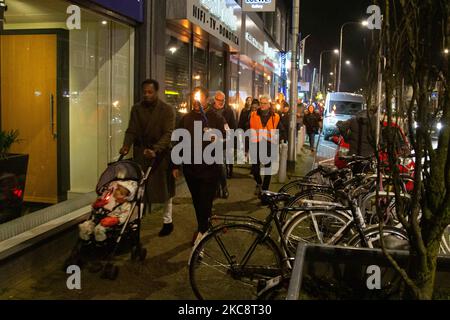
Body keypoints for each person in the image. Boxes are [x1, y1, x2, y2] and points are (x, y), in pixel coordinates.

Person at [120, 79, 176, 237]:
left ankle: (167, 221)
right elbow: (131, 129)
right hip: (142, 154)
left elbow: (168, 133)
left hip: (160, 156)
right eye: (144, 92)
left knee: (165, 191)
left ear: (156, 92)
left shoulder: (167, 110)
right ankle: (135, 222)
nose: (146, 95)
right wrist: (126, 145)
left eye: (150, 92)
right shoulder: (136, 109)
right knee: (139, 190)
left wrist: (156, 149)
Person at [172, 87, 227, 247]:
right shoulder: (186, 119)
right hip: (191, 170)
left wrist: (217, 138)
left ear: (206, 100)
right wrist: (175, 164)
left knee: (205, 202)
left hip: (210, 170)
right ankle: (204, 227)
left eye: (200, 98)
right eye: (194, 98)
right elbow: (178, 141)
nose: (196, 102)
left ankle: (201, 238)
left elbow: (229, 137)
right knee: (197, 202)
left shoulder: (215, 118)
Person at [249, 95, 286, 196]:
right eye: (261, 103)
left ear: (269, 104)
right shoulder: (253, 115)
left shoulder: (276, 117)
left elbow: (282, 130)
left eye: (265, 103)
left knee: (268, 168)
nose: (263, 105)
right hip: (256, 144)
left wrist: (278, 139)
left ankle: (265, 190)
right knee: (255, 169)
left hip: (269, 144)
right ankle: (259, 183)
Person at [208, 91, 237, 186]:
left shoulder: (229, 111)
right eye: (219, 100)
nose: (221, 102)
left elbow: (233, 127)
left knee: (221, 165)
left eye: (223, 100)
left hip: (224, 142)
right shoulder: (209, 111)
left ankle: (223, 186)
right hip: (211, 142)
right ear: (214, 100)